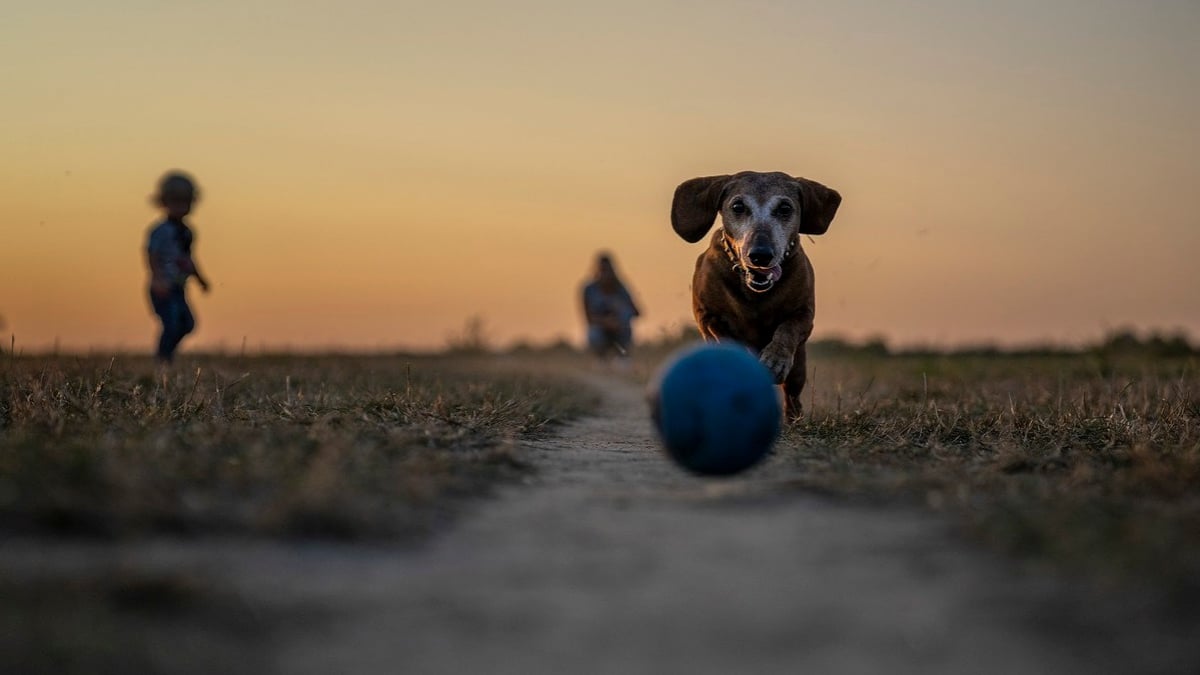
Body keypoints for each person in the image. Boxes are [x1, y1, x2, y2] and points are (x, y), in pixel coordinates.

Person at [145, 171, 210, 363]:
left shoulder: (187, 232)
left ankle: (167, 355)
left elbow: (188, 259)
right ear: (164, 202)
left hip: (179, 287)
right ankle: (162, 359)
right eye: (176, 202)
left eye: (185, 202)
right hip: (163, 288)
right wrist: (157, 278)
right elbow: (152, 255)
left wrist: (200, 279)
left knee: (187, 324)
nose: (181, 207)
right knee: (171, 323)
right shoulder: (160, 231)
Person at [581, 252, 640, 363]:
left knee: (625, 314)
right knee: (594, 334)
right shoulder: (589, 289)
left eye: (608, 270)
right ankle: (600, 359)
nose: (606, 274)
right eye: (603, 270)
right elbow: (588, 318)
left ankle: (623, 357)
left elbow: (637, 312)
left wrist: (620, 313)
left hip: (620, 330)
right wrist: (606, 323)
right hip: (600, 330)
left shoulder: (621, 289)